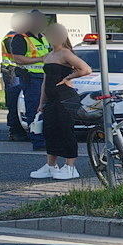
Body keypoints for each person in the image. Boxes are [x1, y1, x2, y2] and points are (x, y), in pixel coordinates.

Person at [25, 23, 92, 180]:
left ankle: (70, 167)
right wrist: (41, 103)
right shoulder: (48, 56)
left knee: (65, 131)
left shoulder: (65, 53)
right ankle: (50, 166)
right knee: (50, 131)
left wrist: (69, 77)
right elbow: (44, 82)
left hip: (65, 98)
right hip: (52, 99)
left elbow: (86, 69)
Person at [4, 10, 52, 149]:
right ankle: (38, 141)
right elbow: (18, 58)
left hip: (45, 77)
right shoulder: (21, 38)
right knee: (35, 110)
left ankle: (46, 139)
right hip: (31, 78)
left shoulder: (43, 37)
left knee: (46, 110)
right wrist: (41, 59)